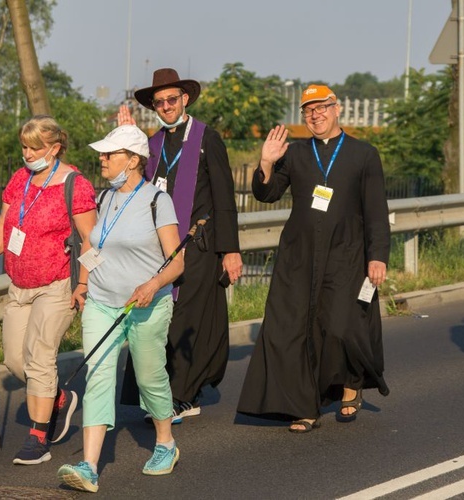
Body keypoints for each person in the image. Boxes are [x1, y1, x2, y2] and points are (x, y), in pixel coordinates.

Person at [236, 84, 391, 432]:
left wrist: (377, 255)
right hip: (299, 256)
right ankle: (303, 407)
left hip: (347, 254)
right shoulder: (295, 153)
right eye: (308, 110)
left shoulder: (364, 154)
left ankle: (352, 382)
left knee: (340, 326)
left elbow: (377, 212)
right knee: (295, 330)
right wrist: (266, 162)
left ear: (337, 109)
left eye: (322, 107)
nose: (315, 115)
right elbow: (268, 193)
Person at [57, 125, 184, 493]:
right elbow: (93, 246)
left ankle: (165, 442)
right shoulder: (104, 198)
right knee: (96, 374)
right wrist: (82, 284)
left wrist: (152, 285)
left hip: (145, 304)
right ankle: (89, 466)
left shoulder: (158, 201)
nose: (102, 159)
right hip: (101, 301)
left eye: (109, 154)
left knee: (149, 378)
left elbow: (177, 262)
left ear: (132, 160)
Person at [118, 68, 242, 422]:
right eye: (159, 102)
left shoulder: (207, 138)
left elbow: (224, 198)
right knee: (159, 319)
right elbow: (130, 183)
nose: (166, 106)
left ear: (185, 99)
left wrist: (230, 250)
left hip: (199, 244)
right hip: (160, 247)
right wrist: (129, 138)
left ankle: (182, 396)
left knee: (186, 319)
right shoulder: (152, 144)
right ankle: (159, 390)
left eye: (172, 99)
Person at [0, 115, 96, 464]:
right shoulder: (19, 179)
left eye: (34, 147)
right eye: (24, 147)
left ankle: (37, 436)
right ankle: (59, 397)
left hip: (56, 284)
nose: (27, 153)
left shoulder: (76, 184)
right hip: (19, 284)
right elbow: (4, 224)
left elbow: (90, 240)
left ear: (54, 148)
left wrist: (83, 283)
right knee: (15, 358)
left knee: (40, 356)